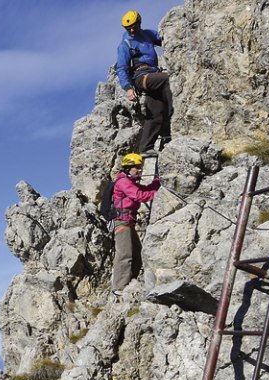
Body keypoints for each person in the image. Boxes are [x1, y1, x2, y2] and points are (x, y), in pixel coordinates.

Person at [116, 10, 170, 154]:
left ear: (139, 22)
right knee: (169, 79)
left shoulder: (147, 35)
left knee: (155, 112)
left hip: (153, 75)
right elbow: (121, 68)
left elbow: (164, 39)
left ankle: (146, 147)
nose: (132, 30)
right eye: (129, 28)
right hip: (141, 77)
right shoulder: (125, 45)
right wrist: (128, 88)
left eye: (134, 26)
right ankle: (172, 118)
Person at [110, 153, 160, 294]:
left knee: (137, 254)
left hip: (128, 222)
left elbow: (143, 191)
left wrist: (156, 182)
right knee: (125, 254)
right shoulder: (123, 182)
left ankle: (129, 282)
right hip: (122, 222)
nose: (139, 170)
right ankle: (119, 287)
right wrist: (159, 194)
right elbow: (139, 195)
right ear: (127, 168)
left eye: (140, 167)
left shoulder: (130, 182)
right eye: (136, 168)